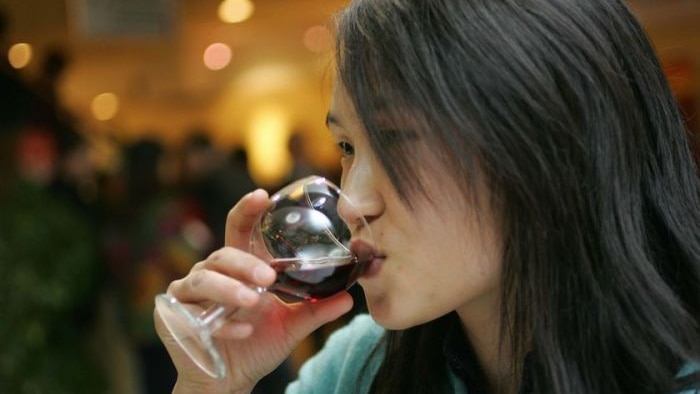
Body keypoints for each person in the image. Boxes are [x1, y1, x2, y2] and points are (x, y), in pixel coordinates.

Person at [154, 0, 700, 393]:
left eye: (396, 142)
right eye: (346, 145)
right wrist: (212, 386)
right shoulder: (360, 367)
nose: (349, 202)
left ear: (549, 145)